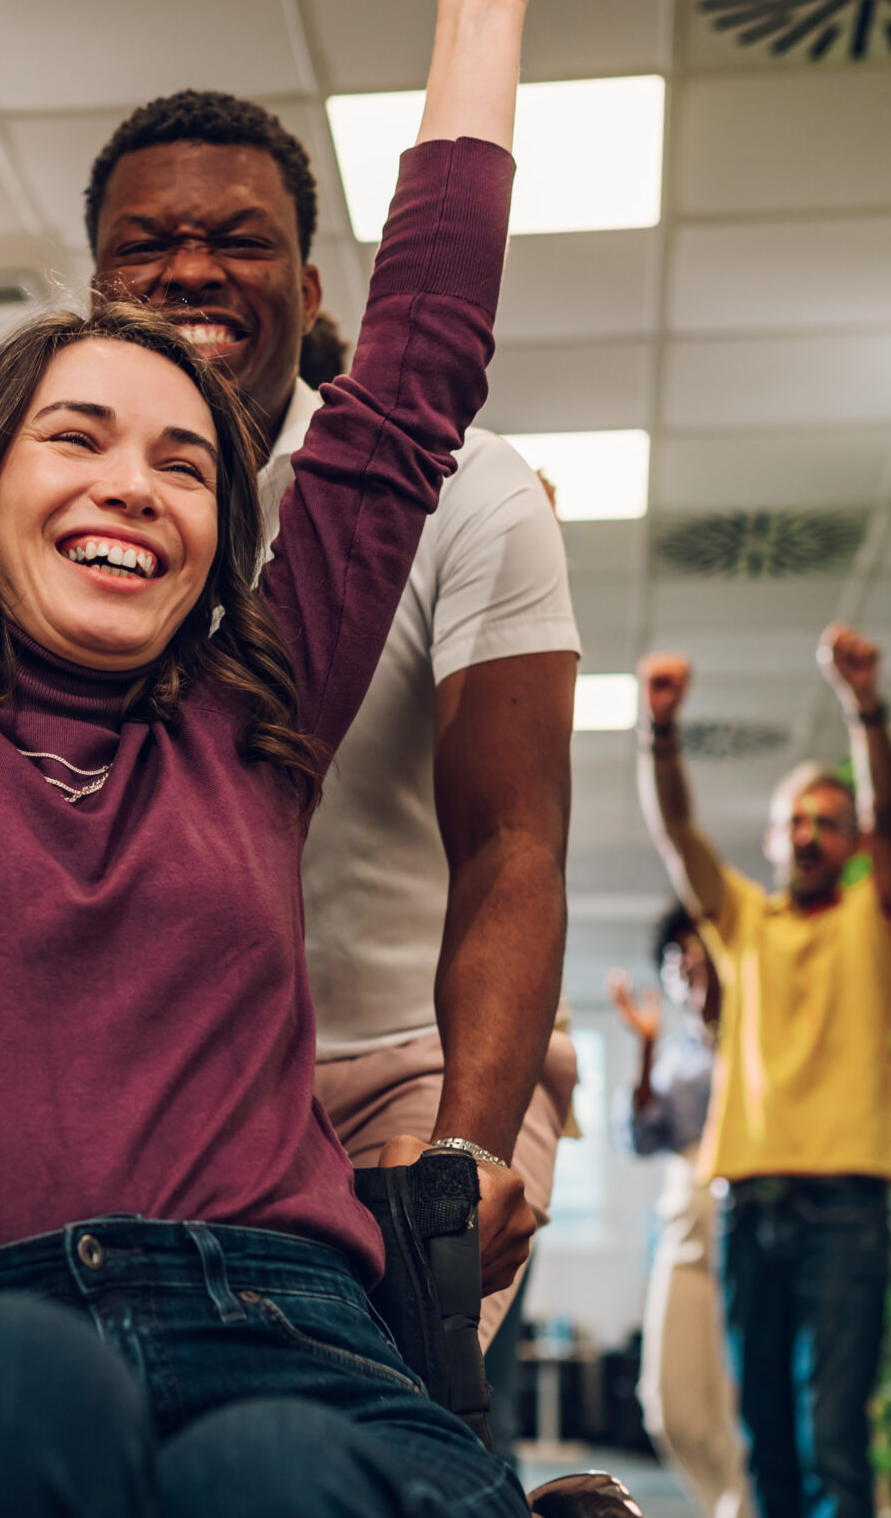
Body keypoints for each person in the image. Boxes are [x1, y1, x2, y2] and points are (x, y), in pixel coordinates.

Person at [0, 0, 547, 1518]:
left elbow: (409, 386)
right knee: (10, 1388)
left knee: (271, 1483)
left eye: (186, 463)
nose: (134, 482)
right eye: (80, 435)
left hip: (300, 1353)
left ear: (218, 533)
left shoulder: (254, 728)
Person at [83, 89, 579, 1341]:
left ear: (307, 293)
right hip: (166, 1069)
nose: (190, 267)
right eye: (145, 242)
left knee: (372, 1425)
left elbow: (512, 844)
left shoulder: (467, 494)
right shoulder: (56, 515)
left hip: (411, 1057)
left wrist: (461, 1153)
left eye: (238, 240)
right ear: (93, 292)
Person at [635, 627, 891, 1518]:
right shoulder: (743, 922)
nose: (808, 831)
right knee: (769, 1440)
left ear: (848, 838)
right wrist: (660, 731)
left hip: (846, 1205)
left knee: (834, 1438)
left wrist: (863, 710)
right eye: (794, 818)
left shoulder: (875, 918)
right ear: (772, 834)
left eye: (827, 819)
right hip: (751, 1204)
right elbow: (676, 837)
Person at [610, 906, 766, 1518]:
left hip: (742, 1219)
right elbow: (640, 1134)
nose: (686, 971)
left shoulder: (756, 1036)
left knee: (736, 1418)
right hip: (681, 1224)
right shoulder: (674, 1054)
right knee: (669, 1408)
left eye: (697, 957)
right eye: (676, 962)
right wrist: (642, 1052)